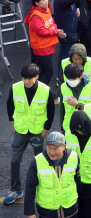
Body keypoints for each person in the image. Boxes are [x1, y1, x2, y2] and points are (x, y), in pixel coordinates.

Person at [5, 64, 55, 205]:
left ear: (37, 76)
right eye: (24, 78)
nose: (26, 81)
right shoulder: (15, 88)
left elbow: (51, 112)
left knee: (40, 162)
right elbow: (10, 105)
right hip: (20, 131)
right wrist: (13, 124)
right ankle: (16, 190)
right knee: (14, 161)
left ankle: (42, 189)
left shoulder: (46, 91)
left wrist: (44, 132)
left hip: (37, 133)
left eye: (29, 78)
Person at [23, 132, 80, 218]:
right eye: (49, 148)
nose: (52, 152)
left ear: (64, 146)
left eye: (56, 149)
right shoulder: (37, 161)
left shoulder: (74, 158)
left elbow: (78, 183)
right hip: (47, 215)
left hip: (71, 213)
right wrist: (30, 212)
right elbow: (30, 188)